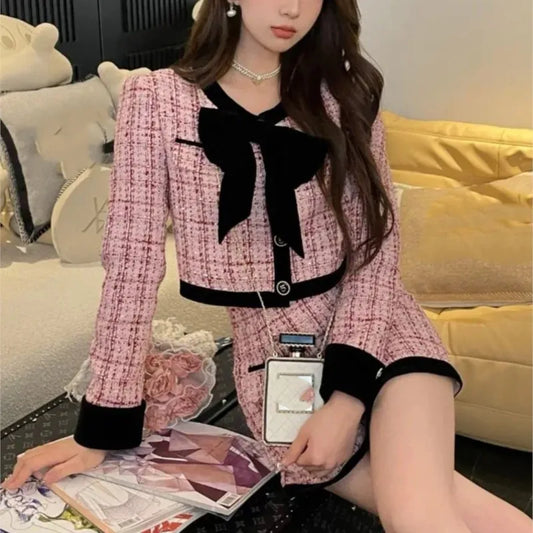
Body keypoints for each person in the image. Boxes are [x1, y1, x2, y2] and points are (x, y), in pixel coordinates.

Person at [2, 1, 531, 531]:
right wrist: (101, 427)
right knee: (438, 501)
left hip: (379, 339)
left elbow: (374, 250)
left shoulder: (345, 94)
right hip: (277, 381)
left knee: (417, 515)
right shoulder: (155, 97)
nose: (292, 8)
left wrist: (345, 403)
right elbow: (131, 266)